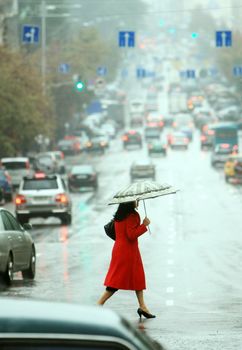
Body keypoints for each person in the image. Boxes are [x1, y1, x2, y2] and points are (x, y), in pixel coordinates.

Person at [97, 200, 155, 319]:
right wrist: (144, 225)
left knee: (136, 278)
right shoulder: (133, 215)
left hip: (119, 250)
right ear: (130, 202)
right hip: (128, 252)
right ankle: (99, 304)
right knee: (117, 280)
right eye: (136, 200)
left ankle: (143, 306)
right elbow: (131, 235)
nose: (137, 201)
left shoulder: (119, 215)